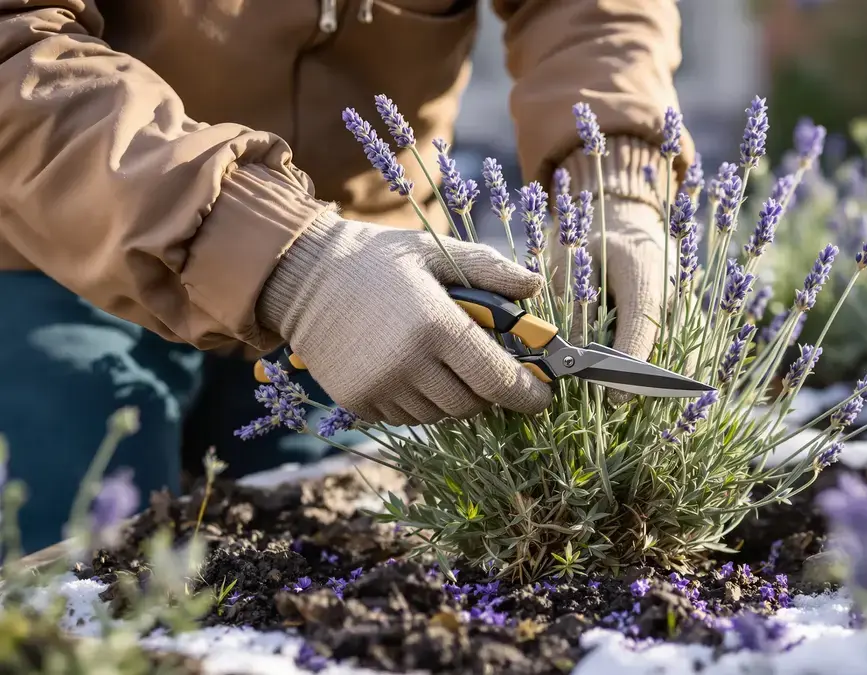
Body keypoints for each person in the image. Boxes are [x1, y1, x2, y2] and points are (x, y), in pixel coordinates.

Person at [0, 0, 696, 552]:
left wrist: (614, 177)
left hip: (383, 290)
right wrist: (291, 258)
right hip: (60, 250)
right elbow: (15, 46)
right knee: (73, 563)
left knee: (351, 552)